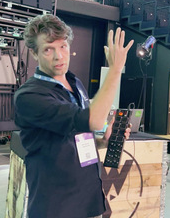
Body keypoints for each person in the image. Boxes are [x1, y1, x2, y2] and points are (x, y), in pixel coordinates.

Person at [14, 14, 134, 218]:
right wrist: (115, 69)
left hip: (88, 200)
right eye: (48, 49)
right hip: (56, 206)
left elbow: (73, 136)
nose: (58, 56)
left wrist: (102, 141)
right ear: (34, 54)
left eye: (62, 46)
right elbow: (94, 120)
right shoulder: (29, 96)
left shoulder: (75, 83)